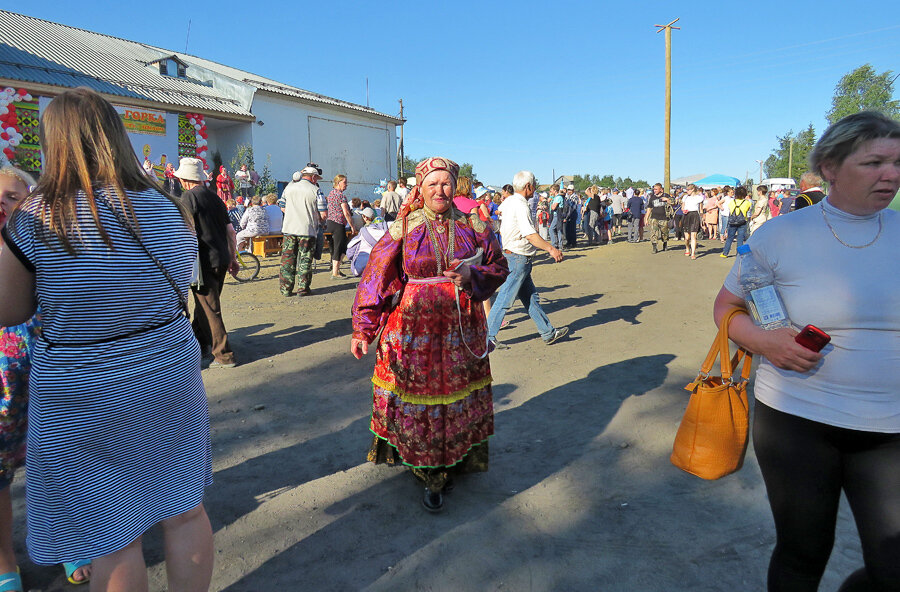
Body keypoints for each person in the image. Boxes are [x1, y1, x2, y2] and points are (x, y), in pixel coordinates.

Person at [0, 88, 213, 592]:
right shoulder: (166, 206)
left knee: (112, 535)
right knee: (185, 510)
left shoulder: (36, 217)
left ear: (57, 142)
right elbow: (185, 277)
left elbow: (9, 310)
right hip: (168, 369)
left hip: (83, 385)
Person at [712, 110, 900, 591]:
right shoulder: (780, 234)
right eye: (875, 162)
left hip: (891, 429)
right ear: (832, 168)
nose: (892, 175)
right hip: (799, 421)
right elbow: (728, 306)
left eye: (898, 163)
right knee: (802, 551)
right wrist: (762, 340)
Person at [350, 157, 508, 512]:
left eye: (446, 183)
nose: (440, 190)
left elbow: (499, 266)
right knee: (421, 395)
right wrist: (364, 327)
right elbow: (376, 275)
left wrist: (473, 277)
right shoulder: (405, 225)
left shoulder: (473, 224)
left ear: (455, 187)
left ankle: (456, 459)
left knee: (454, 395)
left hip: (460, 326)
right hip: (413, 329)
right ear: (420, 188)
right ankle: (430, 472)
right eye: (432, 183)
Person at [1, 167, 94, 589]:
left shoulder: (48, 240)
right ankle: (5, 564)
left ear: (31, 203)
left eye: (11, 196)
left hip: (45, 364)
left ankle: (73, 542)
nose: (2, 202)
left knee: (62, 456)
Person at [486, 170, 569, 349]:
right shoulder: (521, 204)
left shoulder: (508, 202)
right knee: (505, 298)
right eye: (533, 184)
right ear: (528, 186)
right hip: (518, 258)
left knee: (531, 298)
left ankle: (547, 332)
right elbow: (529, 234)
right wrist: (551, 249)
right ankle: (488, 337)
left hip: (515, 255)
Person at [176, 157, 239, 369]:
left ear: (185, 180)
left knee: (210, 308)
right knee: (206, 306)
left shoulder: (188, 197)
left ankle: (224, 354)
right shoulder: (216, 198)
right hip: (220, 258)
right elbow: (231, 231)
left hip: (201, 263)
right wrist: (233, 257)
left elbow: (184, 232)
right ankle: (196, 341)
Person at [280, 166, 326, 297]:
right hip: (307, 230)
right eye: (316, 177)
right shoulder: (316, 190)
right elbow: (323, 214)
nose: (317, 180)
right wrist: (319, 221)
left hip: (289, 229)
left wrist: (292, 214)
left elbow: (282, 206)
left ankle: (285, 288)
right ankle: (302, 288)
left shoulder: (288, 188)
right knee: (305, 259)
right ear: (313, 177)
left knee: (287, 260)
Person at [325, 174, 358, 279]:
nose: (346, 185)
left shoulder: (330, 194)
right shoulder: (341, 196)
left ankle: (336, 269)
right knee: (341, 247)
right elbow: (346, 212)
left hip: (330, 223)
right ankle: (335, 272)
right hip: (338, 223)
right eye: (344, 182)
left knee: (336, 247)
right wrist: (352, 226)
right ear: (338, 183)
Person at [346, 207, 389, 276]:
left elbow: (350, 252)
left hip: (367, 266)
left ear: (365, 217)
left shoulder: (364, 230)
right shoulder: (384, 231)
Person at [721, 186, 752, 257]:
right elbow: (748, 210)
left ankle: (725, 253)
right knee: (740, 238)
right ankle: (739, 254)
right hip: (742, 222)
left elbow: (730, 210)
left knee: (730, 238)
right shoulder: (747, 203)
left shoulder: (732, 202)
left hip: (732, 222)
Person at [644, 183, 671, 253]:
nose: (654, 190)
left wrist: (667, 199)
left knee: (664, 233)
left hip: (664, 218)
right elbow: (649, 208)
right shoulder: (652, 197)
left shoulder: (665, 195)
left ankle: (665, 243)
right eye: (654, 189)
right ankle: (654, 247)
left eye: (656, 189)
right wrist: (646, 219)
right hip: (654, 218)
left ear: (661, 189)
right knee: (654, 233)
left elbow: (674, 203)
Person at [681, 184, 703, 258]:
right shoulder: (685, 197)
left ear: (692, 189)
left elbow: (701, 209)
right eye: (686, 190)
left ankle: (693, 253)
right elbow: (682, 207)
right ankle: (687, 248)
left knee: (693, 235)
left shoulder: (699, 198)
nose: (687, 191)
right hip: (686, 215)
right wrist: (683, 210)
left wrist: (702, 218)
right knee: (687, 237)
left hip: (695, 215)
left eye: (688, 190)